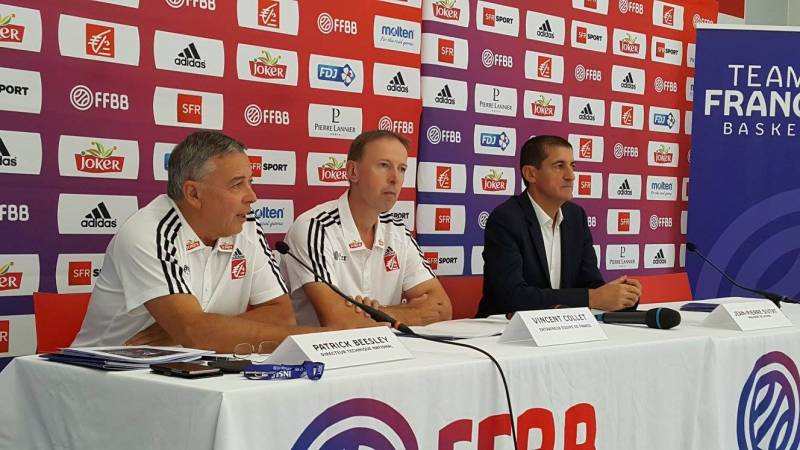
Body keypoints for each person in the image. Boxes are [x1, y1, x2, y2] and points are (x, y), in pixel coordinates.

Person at [73, 131, 331, 352]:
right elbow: (195, 332)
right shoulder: (148, 231)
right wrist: (322, 340)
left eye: (250, 182)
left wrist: (195, 330)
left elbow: (282, 314)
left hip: (189, 370)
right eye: (237, 185)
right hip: (105, 376)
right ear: (193, 193)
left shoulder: (246, 226)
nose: (252, 196)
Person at [281, 130, 452, 327]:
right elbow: (339, 321)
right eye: (384, 166)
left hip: (390, 350)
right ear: (353, 171)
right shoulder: (315, 228)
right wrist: (411, 313)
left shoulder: (398, 233)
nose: (395, 179)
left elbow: (442, 307)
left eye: (402, 169)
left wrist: (379, 313)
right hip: (326, 356)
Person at [477, 135, 642, 317]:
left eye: (573, 166)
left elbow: (590, 284)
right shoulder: (506, 219)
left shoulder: (575, 217)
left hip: (562, 328)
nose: (571, 176)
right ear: (531, 174)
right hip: (503, 332)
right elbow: (512, 296)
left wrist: (621, 295)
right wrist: (591, 298)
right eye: (559, 166)